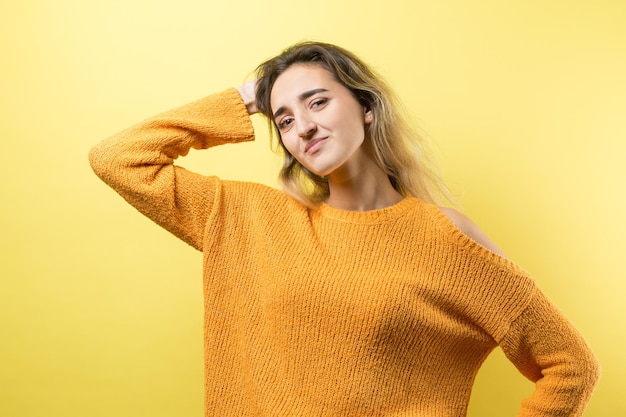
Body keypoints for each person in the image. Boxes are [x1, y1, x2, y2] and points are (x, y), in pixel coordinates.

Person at [89, 41, 600, 416]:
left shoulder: (445, 239)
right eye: (284, 119)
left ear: (368, 106)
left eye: (317, 101)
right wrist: (246, 98)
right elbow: (118, 158)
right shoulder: (247, 217)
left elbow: (571, 366)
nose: (303, 127)